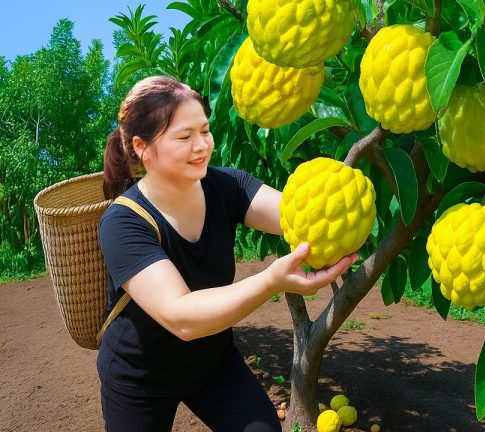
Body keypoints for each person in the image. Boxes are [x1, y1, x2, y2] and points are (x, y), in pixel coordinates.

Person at [98, 75, 357, 432]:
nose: (202, 145)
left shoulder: (226, 185)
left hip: (211, 362)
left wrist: (346, 208)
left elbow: (301, 215)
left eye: (204, 131)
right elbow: (181, 316)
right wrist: (271, 281)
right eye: (184, 137)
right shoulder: (122, 222)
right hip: (141, 376)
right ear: (143, 148)